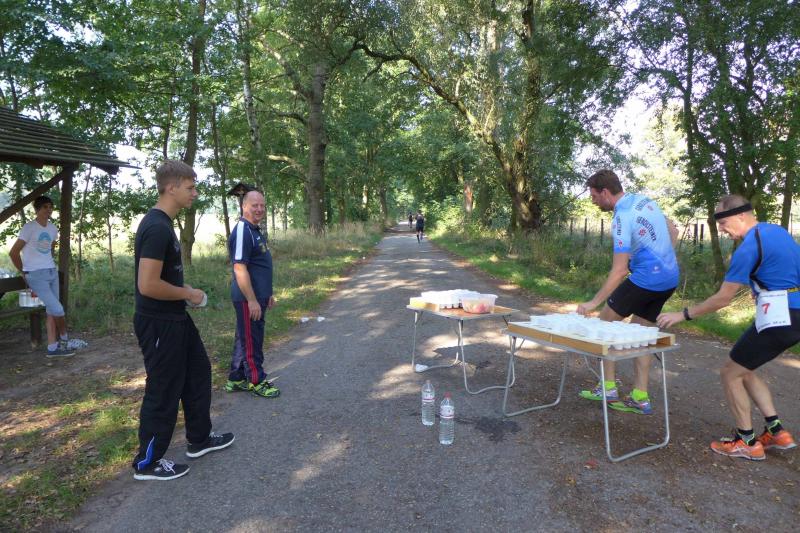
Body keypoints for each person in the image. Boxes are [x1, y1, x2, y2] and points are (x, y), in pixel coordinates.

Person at [658, 195, 798, 461]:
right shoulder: (776, 232)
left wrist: (683, 314)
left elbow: (722, 299)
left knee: (730, 374)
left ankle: (746, 441)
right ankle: (777, 432)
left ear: (741, 215)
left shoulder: (748, 248)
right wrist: (766, 290)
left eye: (723, 223)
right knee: (744, 368)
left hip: (780, 317)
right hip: (792, 314)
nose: (721, 229)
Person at [131, 160, 234, 481]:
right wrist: (187, 293)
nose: (195, 193)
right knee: (164, 388)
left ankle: (199, 439)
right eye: (190, 187)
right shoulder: (156, 227)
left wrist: (184, 293)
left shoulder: (165, 224)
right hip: (158, 323)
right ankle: (147, 463)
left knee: (198, 372)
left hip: (175, 318)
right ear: (171, 187)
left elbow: (160, 279)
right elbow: (147, 285)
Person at [576, 169, 679, 415]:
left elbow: (619, 270)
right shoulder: (644, 201)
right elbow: (673, 231)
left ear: (605, 192)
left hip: (645, 280)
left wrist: (593, 303)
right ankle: (640, 397)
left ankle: (608, 388)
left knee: (604, 326)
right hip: (669, 279)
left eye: (594, 196)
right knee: (642, 336)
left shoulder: (621, 217)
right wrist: (662, 258)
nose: (593, 201)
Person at [225, 190, 280, 398]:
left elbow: (259, 266)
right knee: (252, 340)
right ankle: (256, 381)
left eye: (262, 205)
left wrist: (267, 294)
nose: (259, 209)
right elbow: (240, 268)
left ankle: (236, 378)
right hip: (248, 299)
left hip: (258, 296)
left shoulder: (254, 230)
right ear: (244, 206)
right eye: (254, 205)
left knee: (244, 337)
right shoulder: (242, 230)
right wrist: (252, 300)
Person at [9, 196, 75, 357]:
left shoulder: (52, 228)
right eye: (45, 207)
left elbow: (50, 249)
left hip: (52, 272)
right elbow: (13, 252)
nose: (49, 210)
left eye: (50, 207)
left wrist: (48, 262)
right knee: (58, 309)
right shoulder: (29, 227)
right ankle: (65, 341)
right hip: (36, 275)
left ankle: (52, 349)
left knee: (52, 311)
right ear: (37, 209)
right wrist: (24, 272)